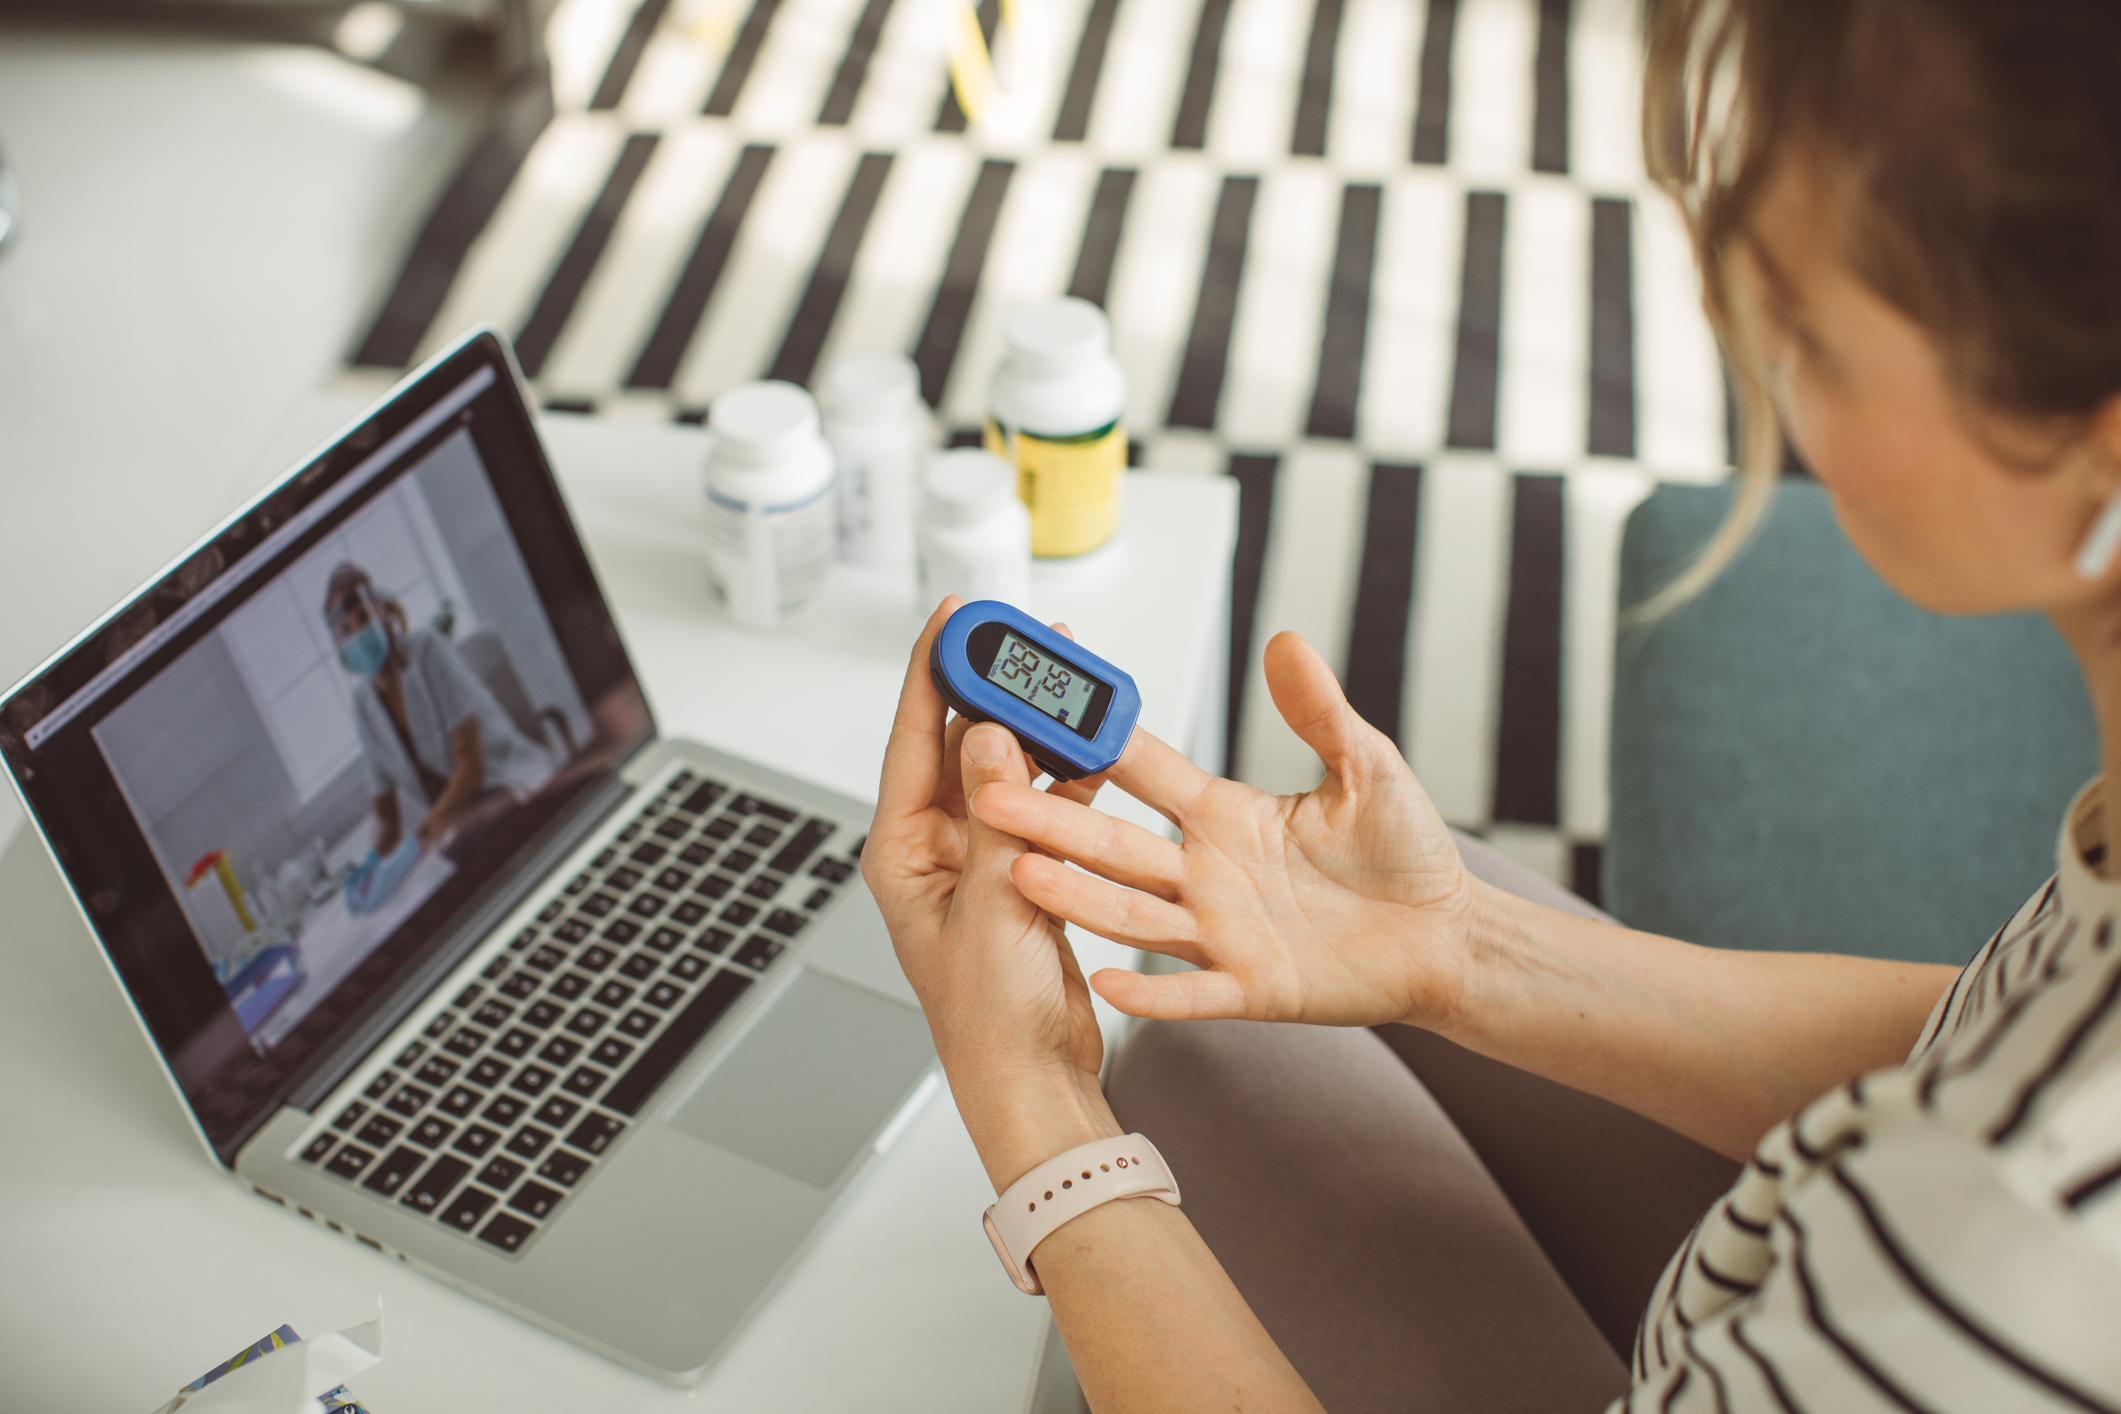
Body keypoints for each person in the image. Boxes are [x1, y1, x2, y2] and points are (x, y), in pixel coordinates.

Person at [862, 1, 2121, 1410]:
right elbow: (1988, 1031)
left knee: (1177, 1098)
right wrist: (1456, 946)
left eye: (1809, 336)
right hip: (1811, 1266)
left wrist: (1033, 1105)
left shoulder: (2033, 1251)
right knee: (1222, 1055)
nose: (1747, 347)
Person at [324, 563, 556, 862]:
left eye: (364, 617)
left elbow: (471, 768)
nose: (358, 633)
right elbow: (386, 816)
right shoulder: (363, 704)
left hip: (502, 782)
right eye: (346, 630)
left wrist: (422, 836)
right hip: (457, 822)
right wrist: (371, 864)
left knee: (474, 853)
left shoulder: (426, 649)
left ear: (383, 610)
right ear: (338, 643)